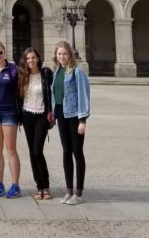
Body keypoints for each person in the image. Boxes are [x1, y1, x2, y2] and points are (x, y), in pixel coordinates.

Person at [53, 40, 90, 205]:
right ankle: (69, 190)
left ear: (70, 55)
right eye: (59, 54)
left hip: (74, 116)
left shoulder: (77, 72)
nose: (62, 57)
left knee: (77, 152)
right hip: (61, 114)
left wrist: (83, 120)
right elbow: (55, 95)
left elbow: (83, 95)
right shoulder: (57, 72)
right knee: (66, 151)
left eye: (65, 54)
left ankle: (79, 193)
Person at [18, 47, 54, 200]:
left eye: (33, 58)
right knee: (32, 152)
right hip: (27, 116)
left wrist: (52, 112)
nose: (30, 61)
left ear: (38, 58)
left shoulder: (46, 74)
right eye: (28, 59)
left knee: (37, 151)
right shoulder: (22, 76)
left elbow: (54, 92)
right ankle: (40, 187)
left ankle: (45, 185)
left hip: (41, 116)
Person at [0, 41, 21, 198]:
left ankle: (15, 185)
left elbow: (22, 88)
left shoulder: (13, 69)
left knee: (11, 149)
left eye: (0, 52)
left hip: (9, 112)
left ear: (4, 53)